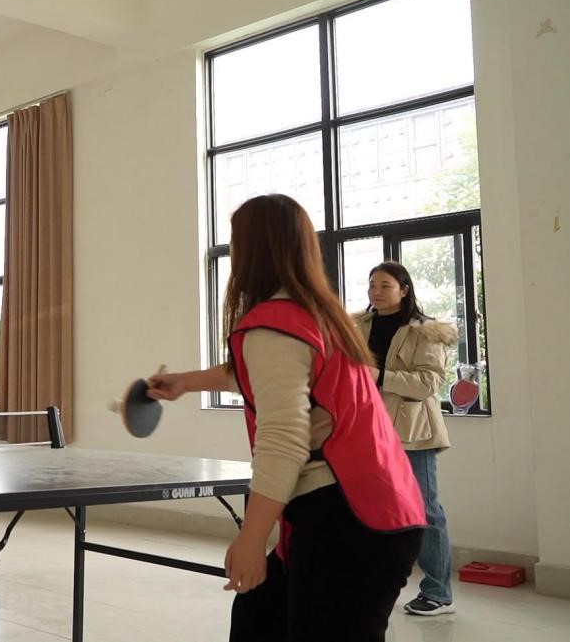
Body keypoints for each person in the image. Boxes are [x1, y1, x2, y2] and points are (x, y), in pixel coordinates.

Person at [145, 194, 425, 642]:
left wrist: (252, 537)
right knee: (257, 618)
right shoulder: (317, 315)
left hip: (348, 520)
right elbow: (269, 375)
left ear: (254, 249)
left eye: (236, 240)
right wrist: (186, 382)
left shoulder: (275, 325)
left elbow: (283, 440)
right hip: (375, 510)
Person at [356, 262, 457, 616]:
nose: (376, 291)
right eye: (372, 284)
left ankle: (438, 593)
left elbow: (429, 383)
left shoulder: (425, 331)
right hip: (365, 430)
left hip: (413, 433)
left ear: (404, 289)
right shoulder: (357, 326)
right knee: (371, 507)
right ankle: (374, 581)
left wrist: (380, 376)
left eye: (384, 285)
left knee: (425, 511)